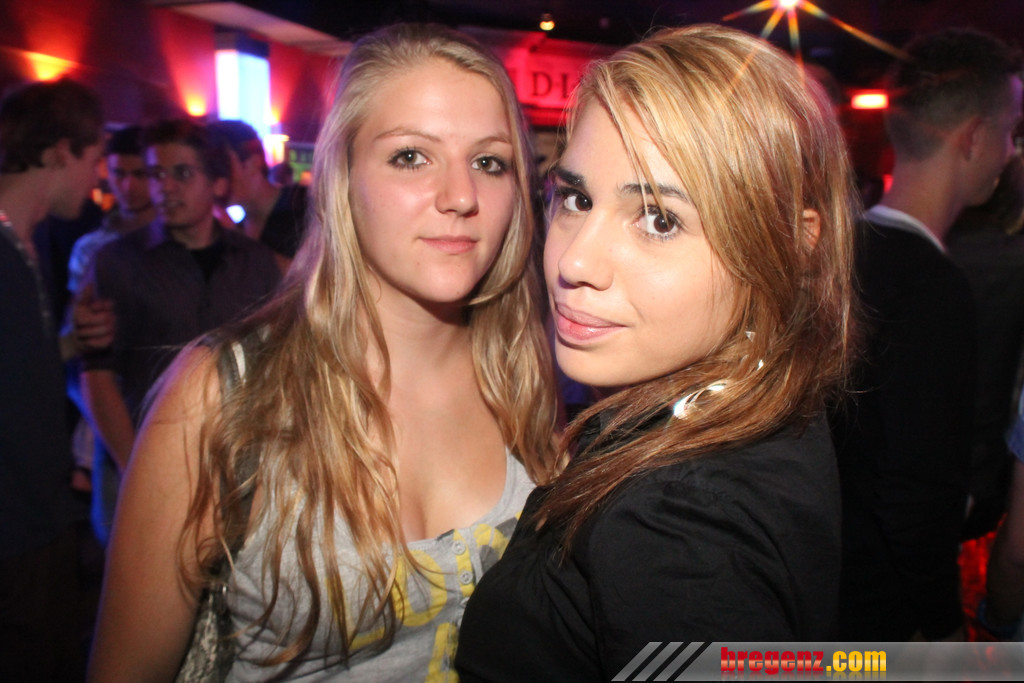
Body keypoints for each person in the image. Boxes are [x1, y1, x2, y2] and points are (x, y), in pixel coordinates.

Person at [89, 23, 557, 681]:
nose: (461, 196)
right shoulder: (221, 393)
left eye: (490, 163)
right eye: (411, 156)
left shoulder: (523, 373)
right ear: (342, 177)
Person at [456, 24, 855, 681]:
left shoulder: (681, 523)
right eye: (576, 199)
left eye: (660, 220)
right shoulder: (760, 404)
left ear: (791, 244)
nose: (574, 261)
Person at [832, 28, 1022, 641]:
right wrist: (943, 632)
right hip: (882, 621)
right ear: (974, 137)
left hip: (823, 599)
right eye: (1011, 131)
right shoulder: (933, 289)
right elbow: (915, 497)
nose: (1011, 152)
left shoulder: (835, 256)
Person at [79, 118, 281, 543]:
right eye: (156, 174)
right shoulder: (117, 262)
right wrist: (135, 465)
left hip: (236, 466)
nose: (164, 187)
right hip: (147, 451)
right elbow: (97, 375)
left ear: (216, 183)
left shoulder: (255, 263)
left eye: (182, 173)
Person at [0, 76, 105, 681]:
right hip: (17, 532)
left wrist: (67, 343)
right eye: (94, 157)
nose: (98, 176)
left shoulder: (28, 241)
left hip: (39, 518)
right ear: (62, 151)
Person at [208, 119, 308, 271]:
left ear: (253, 163)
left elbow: (316, 277)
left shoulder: (305, 205)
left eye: (222, 165)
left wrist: (239, 241)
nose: (216, 178)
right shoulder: (238, 227)